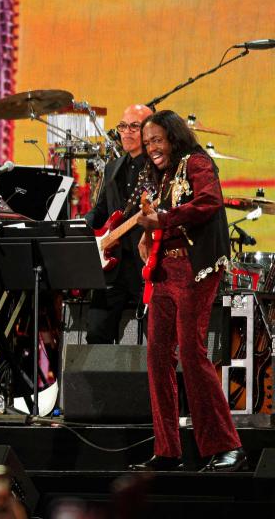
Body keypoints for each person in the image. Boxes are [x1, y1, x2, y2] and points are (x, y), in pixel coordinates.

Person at [132, 109, 245, 472]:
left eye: (157, 140)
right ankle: (167, 451)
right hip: (164, 272)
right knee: (158, 357)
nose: (151, 148)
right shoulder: (160, 178)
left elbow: (209, 202)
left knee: (192, 353)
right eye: (147, 142)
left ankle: (227, 446)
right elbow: (159, 221)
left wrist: (163, 219)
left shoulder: (197, 162)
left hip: (196, 270)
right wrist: (146, 237)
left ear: (173, 137)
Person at [82, 104, 153, 343]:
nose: (127, 132)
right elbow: (102, 210)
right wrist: (83, 227)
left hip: (145, 265)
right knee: (96, 333)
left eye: (135, 126)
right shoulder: (113, 167)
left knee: (157, 338)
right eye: (123, 126)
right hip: (113, 267)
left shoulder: (158, 167)